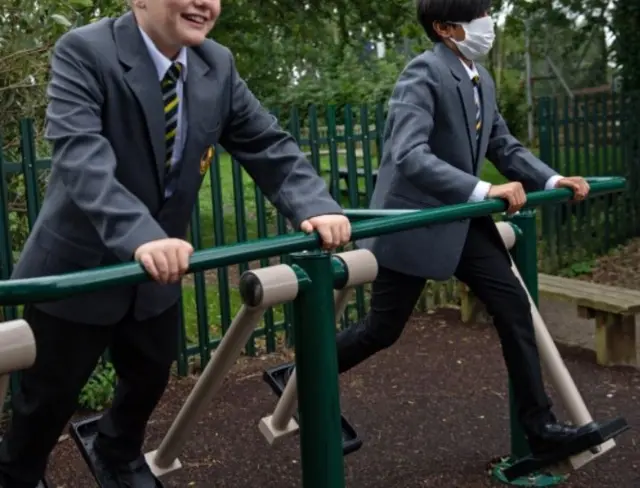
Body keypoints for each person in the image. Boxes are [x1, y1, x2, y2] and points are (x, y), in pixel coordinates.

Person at [0, 1, 350, 486]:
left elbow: (265, 142)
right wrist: (141, 235)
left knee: (149, 373)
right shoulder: (85, 50)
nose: (203, 3)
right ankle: (20, 473)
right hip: (82, 265)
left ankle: (117, 454)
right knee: (47, 398)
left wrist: (315, 203)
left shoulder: (216, 64)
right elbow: (82, 157)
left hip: (158, 271)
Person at [335, 0, 593, 455]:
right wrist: (482, 190)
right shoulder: (423, 73)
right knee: (383, 330)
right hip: (416, 220)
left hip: (460, 217)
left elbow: (501, 142)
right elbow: (409, 155)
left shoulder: (478, 76)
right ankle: (304, 375)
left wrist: (552, 179)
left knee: (514, 306)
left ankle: (542, 429)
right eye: (478, 18)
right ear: (445, 28)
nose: (488, 25)